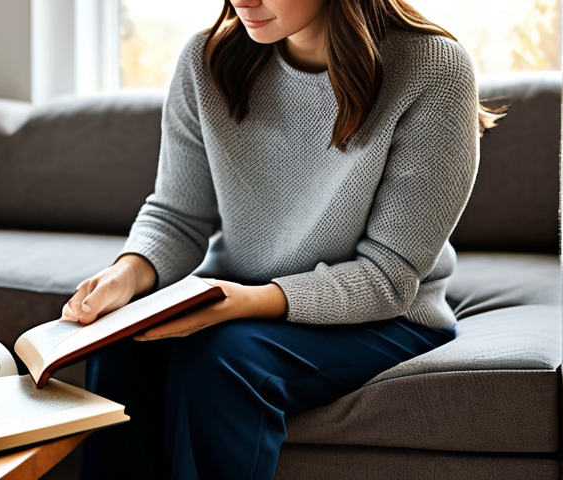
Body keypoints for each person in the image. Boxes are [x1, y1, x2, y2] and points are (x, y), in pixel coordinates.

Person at [61, 0, 503, 478]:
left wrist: (248, 302)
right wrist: (127, 274)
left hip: (386, 316)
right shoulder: (205, 61)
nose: (242, 1)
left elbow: (388, 277)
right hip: (239, 299)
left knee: (223, 360)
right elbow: (177, 213)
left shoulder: (433, 69)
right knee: (119, 344)